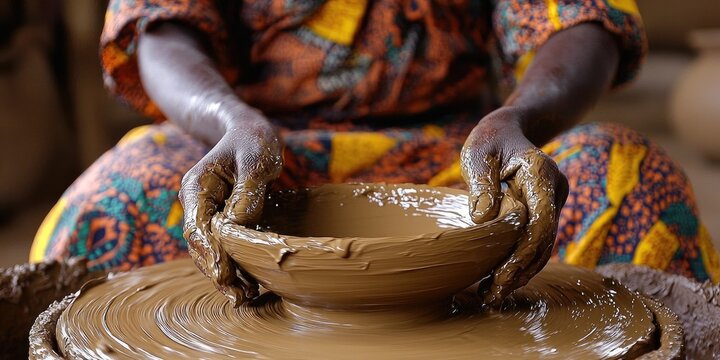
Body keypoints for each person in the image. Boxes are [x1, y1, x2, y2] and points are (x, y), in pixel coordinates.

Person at [31, 0, 719, 307]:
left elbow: (580, 21)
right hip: (256, 154)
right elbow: (163, 30)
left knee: (627, 175)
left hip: (461, 158)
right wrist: (229, 120)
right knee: (115, 194)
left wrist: (518, 119)